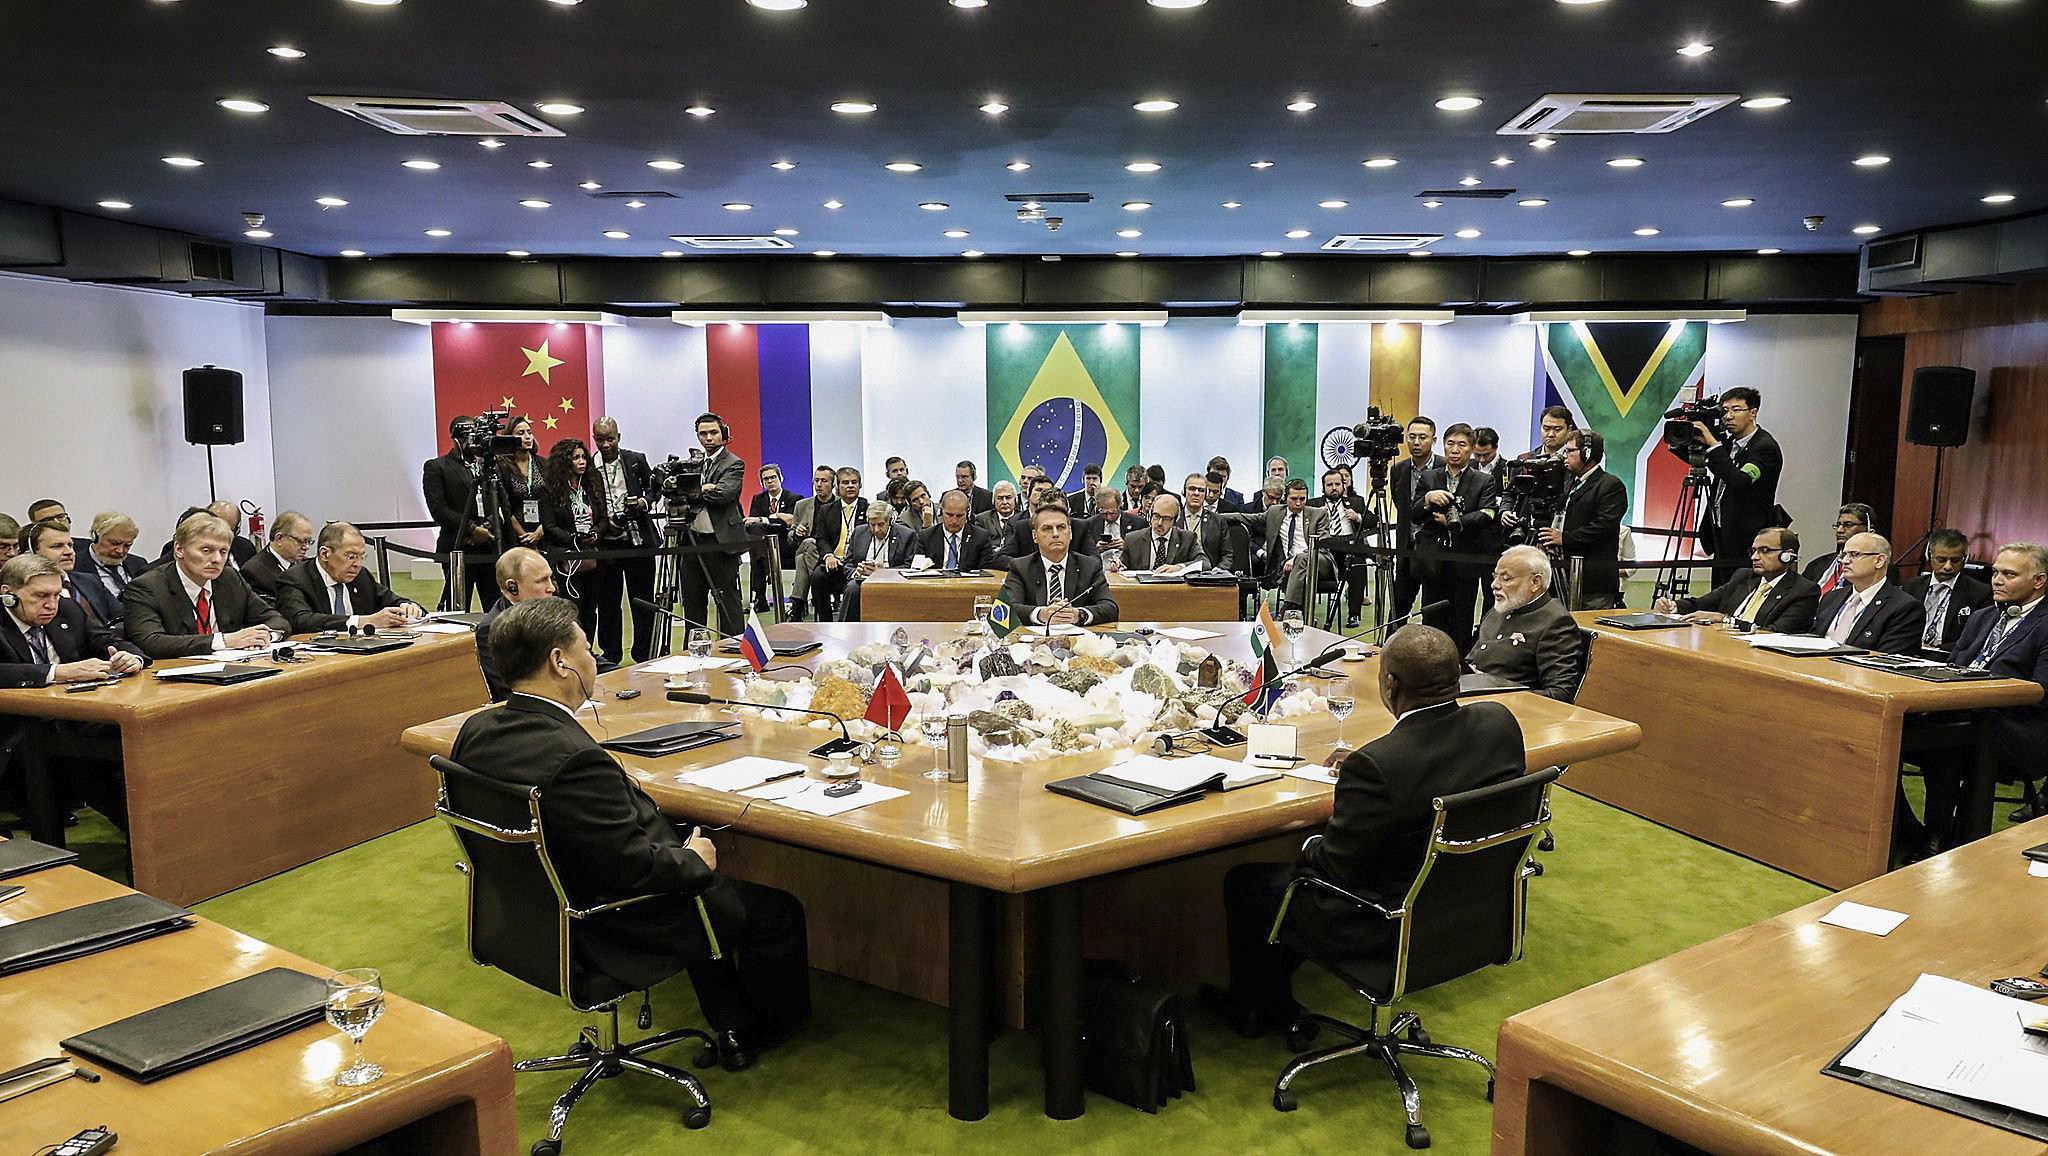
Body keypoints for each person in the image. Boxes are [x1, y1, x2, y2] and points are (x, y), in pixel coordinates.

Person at [449, 597, 810, 1066]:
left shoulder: (475, 731)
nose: (593, 659)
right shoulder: (575, 759)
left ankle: (730, 1021)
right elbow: (637, 868)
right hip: (606, 921)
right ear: (559, 662)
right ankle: (760, 1030)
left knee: (683, 848)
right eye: (586, 647)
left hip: (527, 916)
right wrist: (694, 859)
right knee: (772, 909)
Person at [1205, 625, 1524, 1037]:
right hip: (1474, 910)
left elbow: (1334, 869)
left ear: (1389, 682)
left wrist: (1305, 843)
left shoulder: (1379, 766)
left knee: (1247, 883)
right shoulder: (1500, 723)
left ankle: (1256, 1011)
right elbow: (1444, 763)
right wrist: (1374, 767)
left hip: (1382, 923)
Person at [0, 554, 149, 828]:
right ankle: (141, 832)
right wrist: (57, 672)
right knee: (84, 760)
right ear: (8, 595)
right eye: (40, 596)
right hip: (18, 726)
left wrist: (131, 657)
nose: (51, 604)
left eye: (56, 595)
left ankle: (149, 830)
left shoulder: (67, 610)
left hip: (75, 714)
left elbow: (108, 639)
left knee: (132, 740)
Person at [1920, 543, 2048, 838]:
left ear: (2039, 581)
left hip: (2018, 727)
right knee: (1897, 734)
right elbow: (1953, 667)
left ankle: (1941, 837)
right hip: (1964, 714)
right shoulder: (1983, 616)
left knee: (1941, 745)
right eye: (1995, 573)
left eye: (2009, 574)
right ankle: (1914, 832)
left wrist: (1981, 693)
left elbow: (2041, 692)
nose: (1997, 581)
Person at [119, 512, 289, 659]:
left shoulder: (230, 578)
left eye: (223, 552)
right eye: (206, 550)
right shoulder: (147, 587)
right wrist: (224, 641)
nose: (217, 559)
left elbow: (277, 620)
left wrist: (264, 636)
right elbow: (150, 642)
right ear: (179, 550)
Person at [1668, 387, 1782, 588]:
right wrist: (1681, 441)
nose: (1728, 416)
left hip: (1746, 540)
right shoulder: (1729, 444)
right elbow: (1713, 464)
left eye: (1736, 410)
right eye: (1725, 411)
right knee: (1720, 593)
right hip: (1721, 537)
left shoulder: (1764, 447)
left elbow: (1739, 481)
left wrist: (1713, 444)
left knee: (1739, 595)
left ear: (1753, 413)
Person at [1413, 423, 1500, 651]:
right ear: (1443, 446)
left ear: (1471, 449)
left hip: (1465, 561)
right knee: (1431, 618)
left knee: (1462, 619)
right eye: (1450, 444)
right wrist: (1427, 499)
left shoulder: (1483, 480)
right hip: (1433, 561)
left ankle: (1459, 664)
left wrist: (1456, 521)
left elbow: (1488, 514)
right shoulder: (1429, 478)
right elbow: (1414, 514)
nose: (1455, 450)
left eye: (1461, 445)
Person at [590, 417, 661, 665]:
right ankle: (611, 655)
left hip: (638, 539)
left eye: (610, 439)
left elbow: (655, 489)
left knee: (642, 600)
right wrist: (603, 521)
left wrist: (643, 502)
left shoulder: (635, 460)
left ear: (619, 437)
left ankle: (644, 653)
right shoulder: (590, 465)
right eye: (600, 439)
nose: (605, 444)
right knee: (607, 602)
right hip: (605, 542)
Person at [1469, 546, 1582, 701]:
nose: (1494, 584)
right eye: (1495, 576)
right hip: (1474, 696)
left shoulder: (1556, 622)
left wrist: (1498, 695)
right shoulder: (1499, 610)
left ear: (1535, 582)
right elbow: (1473, 660)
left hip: (1509, 707)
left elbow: (1560, 693)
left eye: (1506, 578)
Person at [273, 522, 424, 634]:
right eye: (350, 556)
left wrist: (407, 606)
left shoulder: (361, 576)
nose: (357, 564)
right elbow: (300, 621)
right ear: (325, 554)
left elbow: (390, 600)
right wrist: (364, 621)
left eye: (361, 557)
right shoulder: (295, 579)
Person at [1659, 527, 1820, 632]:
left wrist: (1726, 620)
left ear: (1787, 555)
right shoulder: (1744, 576)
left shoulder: (1803, 590)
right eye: (1754, 551)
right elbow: (1703, 603)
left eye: (1764, 550)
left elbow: (1775, 632)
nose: (1755, 557)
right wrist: (1673, 606)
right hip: (1722, 644)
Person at [1541, 429, 1629, 610]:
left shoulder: (1611, 485)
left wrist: (1565, 538)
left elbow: (1603, 526)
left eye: (1570, 451)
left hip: (1593, 580)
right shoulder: (1570, 482)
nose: (1565, 456)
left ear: (1587, 454)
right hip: (1564, 575)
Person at [422, 416, 498, 611]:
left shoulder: (490, 467)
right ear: (456, 438)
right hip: (457, 546)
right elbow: (439, 510)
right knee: (457, 610)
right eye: (467, 435)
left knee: (495, 608)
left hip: (490, 547)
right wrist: (472, 529)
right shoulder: (437, 467)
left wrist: (487, 528)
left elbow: (500, 503)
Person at [541, 437, 612, 643]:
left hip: (592, 556)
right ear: (564, 462)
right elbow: (549, 526)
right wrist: (574, 539)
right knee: (572, 608)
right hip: (567, 557)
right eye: (575, 458)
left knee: (591, 608)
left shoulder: (591, 485)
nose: (582, 462)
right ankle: (572, 648)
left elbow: (603, 518)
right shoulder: (549, 490)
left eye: (583, 457)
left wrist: (595, 533)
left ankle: (588, 647)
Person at [998, 505, 1117, 627]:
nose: (1055, 534)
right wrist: (1041, 614)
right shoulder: (1020, 567)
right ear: (1035, 536)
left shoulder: (1090, 567)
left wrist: (1078, 614)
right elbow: (1004, 610)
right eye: (1047, 529)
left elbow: (1110, 608)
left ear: (1070, 533)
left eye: (1061, 527)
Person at [1808, 532, 1924, 654]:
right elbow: (1813, 640)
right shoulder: (1832, 597)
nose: (1845, 561)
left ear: (1879, 561)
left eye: (1854, 554)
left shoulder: (1904, 608)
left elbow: (1887, 659)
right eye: (1844, 555)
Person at [476, 546, 556, 703]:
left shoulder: (553, 612)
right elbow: (512, 692)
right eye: (541, 581)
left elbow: (585, 657)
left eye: (550, 578)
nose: (551, 588)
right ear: (512, 587)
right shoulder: (492, 630)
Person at [1308, 467, 1379, 629]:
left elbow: (1373, 520)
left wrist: (1357, 517)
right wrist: (1316, 516)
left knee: (1358, 562)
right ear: (1323, 487)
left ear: (1343, 486)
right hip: (1325, 554)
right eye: (1330, 485)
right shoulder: (1313, 505)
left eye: (1337, 484)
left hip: (1349, 552)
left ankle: (1354, 614)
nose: (1334, 488)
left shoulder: (1356, 502)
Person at [1388, 417, 1444, 621]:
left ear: (1433, 440)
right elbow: (1400, 505)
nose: (1416, 442)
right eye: (1412, 437)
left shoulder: (1444, 466)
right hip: (1407, 545)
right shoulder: (1398, 469)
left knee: (1432, 605)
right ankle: (1392, 639)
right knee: (1399, 603)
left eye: (1422, 437)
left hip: (1434, 546)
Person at [1906, 529, 1993, 660]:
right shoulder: (1911, 586)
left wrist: (1937, 651)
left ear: (1965, 559)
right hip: (1909, 653)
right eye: (1941, 560)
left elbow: (1976, 638)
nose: (1948, 566)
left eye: (1955, 560)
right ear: (1929, 556)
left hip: (1947, 657)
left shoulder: (1980, 592)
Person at [831, 504, 916, 621]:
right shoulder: (859, 532)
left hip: (892, 581)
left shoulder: (907, 535)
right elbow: (848, 563)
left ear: (890, 521)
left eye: (880, 525)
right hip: (862, 580)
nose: (876, 530)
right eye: (872, 525)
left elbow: (909, 566)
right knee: (852, 588)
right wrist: (856, 572)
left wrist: (882, 573)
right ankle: (846, 628)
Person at [806, 467, 869, 621]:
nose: (850, 486)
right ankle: (826, 623)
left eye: (854, 482)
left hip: (858, 563)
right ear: (837, 486)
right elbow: (821, 538)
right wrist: (828, 555)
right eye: (845, 483)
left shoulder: (868, 508)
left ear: (860, 485)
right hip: (835, 562)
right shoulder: (826, 510)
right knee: (817, 577)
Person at [71, 511, 149, 625]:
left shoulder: (139, 564)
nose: (120, 551)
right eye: (114, 543)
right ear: (95, 537)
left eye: (127, 545)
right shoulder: (75, 567)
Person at [24, 520, 105, 627]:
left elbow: (120, 614)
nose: (69, 552)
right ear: (33, 552)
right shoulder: (29, 590)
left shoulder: (90, 580)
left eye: (70, 545)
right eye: (57, 546)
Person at [784, 465, 839, 621]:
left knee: (802, 559)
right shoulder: (802, 505)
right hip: (808, 549)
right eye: (816, 480)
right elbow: (790, 538)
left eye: (824, 481)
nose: (819, 484)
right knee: (808, 543)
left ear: (833, 484)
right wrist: (796, 533)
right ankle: (819, 594)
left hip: (831, 552)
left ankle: (797, 603)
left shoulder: (840, 504)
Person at [747, 464, 800, 616]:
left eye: (773, 477)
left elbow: (789, 524)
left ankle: (760, 597)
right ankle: (767, 565)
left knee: (758, 553)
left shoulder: (794, 498)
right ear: (762, 482)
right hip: (764, 545)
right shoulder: (758, 499)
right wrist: (776, 519)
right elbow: (752, 523)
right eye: (766, 479)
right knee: (756, 539)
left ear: (780, 478)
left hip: (786, 545)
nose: (770, 481)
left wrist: (765, 520)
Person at [497, 414, 547, 553]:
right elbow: (504, 506)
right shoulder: (502, 467)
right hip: (514, 535)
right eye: (521, 433)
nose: (527, 437)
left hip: (542, 532)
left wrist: (540, 532)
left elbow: (553, 502)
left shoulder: (544, 464)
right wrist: (523, 536)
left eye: (529, 432)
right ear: (510, 438)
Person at [1804, 503, 1875, 595]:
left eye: (1848, 525)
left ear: (1868, 529)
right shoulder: (1817, 564)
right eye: (1838, 525)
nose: (1840, 530)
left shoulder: (1874, 567)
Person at [1117, 494, 1200, 573]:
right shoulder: (1132, 539)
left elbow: (1203, 562)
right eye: (1156, 516)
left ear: (1175, 520)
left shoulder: (1187, 538)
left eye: (1166, 518)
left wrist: (1180, 567)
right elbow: (1122, 565)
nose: (1159, 523)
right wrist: (1117, 565)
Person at [918, 489, 996, 572]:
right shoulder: (926, 537)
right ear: (941, 512)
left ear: (967, 513)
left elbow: (986, 572)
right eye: (949, 515)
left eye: (959, 516)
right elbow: (917, 570)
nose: (954, 521)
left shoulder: (981, 537)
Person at [243, 510, 312, 600]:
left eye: (309, 542)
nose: (306, 547)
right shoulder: (254, 573)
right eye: (301, 541)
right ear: (279, 538)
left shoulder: (307, 566)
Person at [1182, 473, 1234, 572]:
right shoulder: (1174, 519)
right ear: (1184, 491)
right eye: (1192, 489)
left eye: (1201, 490)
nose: (1196, 493)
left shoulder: (1218, 521)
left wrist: (1219, 570)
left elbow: (1227, 554)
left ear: (1205, 494)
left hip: (1209, 574)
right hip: (1177, 574)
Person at [1077, 485, 1143, 561]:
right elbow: (1081, 555)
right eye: (1104, 513)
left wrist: (1127, 548)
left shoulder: (1138, 523)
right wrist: (1095, 550)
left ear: (1119, 506)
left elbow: (1143, 554)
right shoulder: (1089, 524)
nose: (1108, 517)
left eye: (1112, 513)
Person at [974, 481, 1019, 556]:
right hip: (991, 559)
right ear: (993, 501)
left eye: (1008, 498)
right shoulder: (982, 519)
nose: (1004, 502)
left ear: (1015, 499)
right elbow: (979, 545)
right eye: (1000, 498)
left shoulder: (1023, 518)